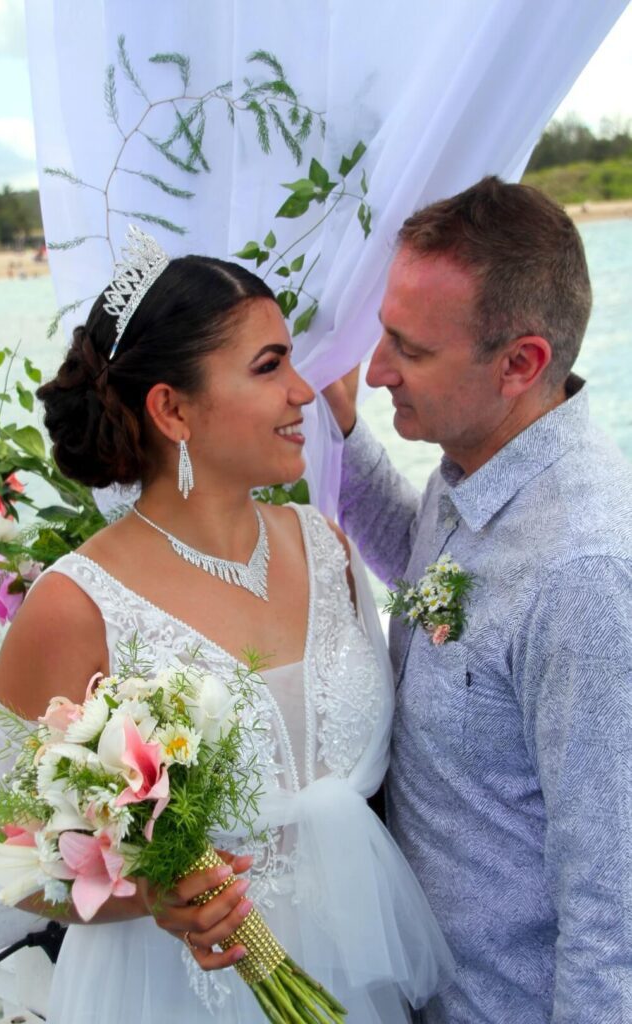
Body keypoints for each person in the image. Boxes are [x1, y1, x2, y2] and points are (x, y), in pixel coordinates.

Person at [0, 228, 452, 1023]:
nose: (304, 392)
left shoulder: (323, 546)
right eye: (268, 367)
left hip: (360, 972)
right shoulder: (73, 605)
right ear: (171, 408)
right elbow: (19, 864)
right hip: (176, 994)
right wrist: (152, 897)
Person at [324, 176, 632, 1023]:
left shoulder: (584, 573)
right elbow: (424, 585)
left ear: (520, 364)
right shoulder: (478, 462)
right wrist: (343, 437)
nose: (379, 369)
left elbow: (613, 904)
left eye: (408, 350)